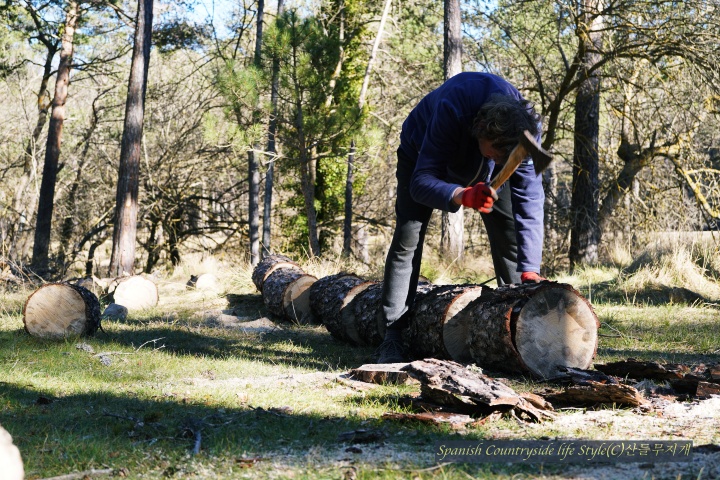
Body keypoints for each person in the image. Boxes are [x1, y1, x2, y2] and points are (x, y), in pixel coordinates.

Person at [376, 71, 545, 364]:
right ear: (481, 131)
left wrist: (530, 267)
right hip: (421, 157)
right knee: (408, 238)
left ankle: (519, 327)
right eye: (495, 156)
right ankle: (392, 334)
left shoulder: (527, 130)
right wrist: (462, 195)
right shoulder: (453, 108)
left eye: (505, 160)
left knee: (509, 232)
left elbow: (530, 197)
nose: (500, 162)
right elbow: (421, 181)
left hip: (485, 152)